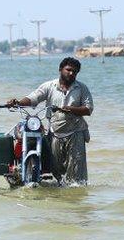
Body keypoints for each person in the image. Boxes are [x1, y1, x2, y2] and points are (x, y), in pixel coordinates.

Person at [5, 57, 93, 185]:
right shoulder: (49, 86)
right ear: (60, 70)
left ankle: (76, 197)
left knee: (76, 173)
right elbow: (33, 98)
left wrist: (71, 109)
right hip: (55, 133)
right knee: (56, 171)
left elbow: (88, 109)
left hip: (76, 132)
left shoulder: (81, 88)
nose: (71, 73)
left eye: (75, 71)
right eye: (68, 70)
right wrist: (18, 102)